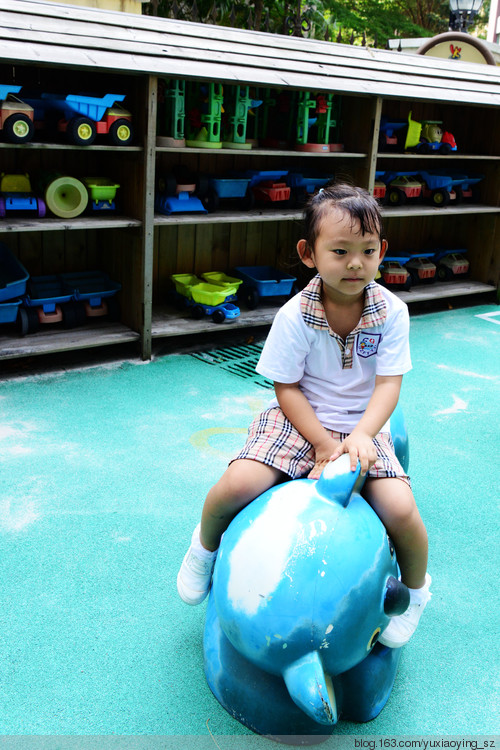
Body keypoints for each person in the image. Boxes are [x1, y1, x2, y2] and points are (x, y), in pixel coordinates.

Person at [177, 182, 431, 648]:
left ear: (382, 252)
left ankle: (416, 593)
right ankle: (204, 548)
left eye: (367, 250)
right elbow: (286, 386)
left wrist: (361, 435)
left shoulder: (392, 312)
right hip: (298, 418)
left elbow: (389, 384)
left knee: (401, 509)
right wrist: (319, 441)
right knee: (238, 483)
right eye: (340, 250)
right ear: (308, 253)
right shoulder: (295, 314)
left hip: (362, 425)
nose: (355, 263)